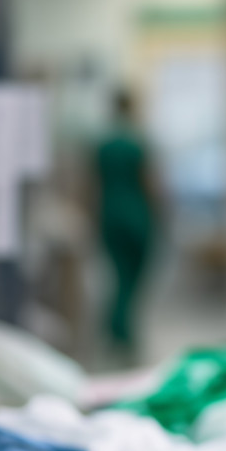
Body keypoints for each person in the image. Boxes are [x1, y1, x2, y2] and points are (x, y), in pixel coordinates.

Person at [94, 88, 157, 358]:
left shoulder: (102, 147)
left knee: (119, 275)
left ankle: (117, 328)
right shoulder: (136, 145)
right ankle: (121, 329)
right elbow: (149, 184)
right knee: (134, 276)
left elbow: (91, 188)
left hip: (109, 216)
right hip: (136, 217)